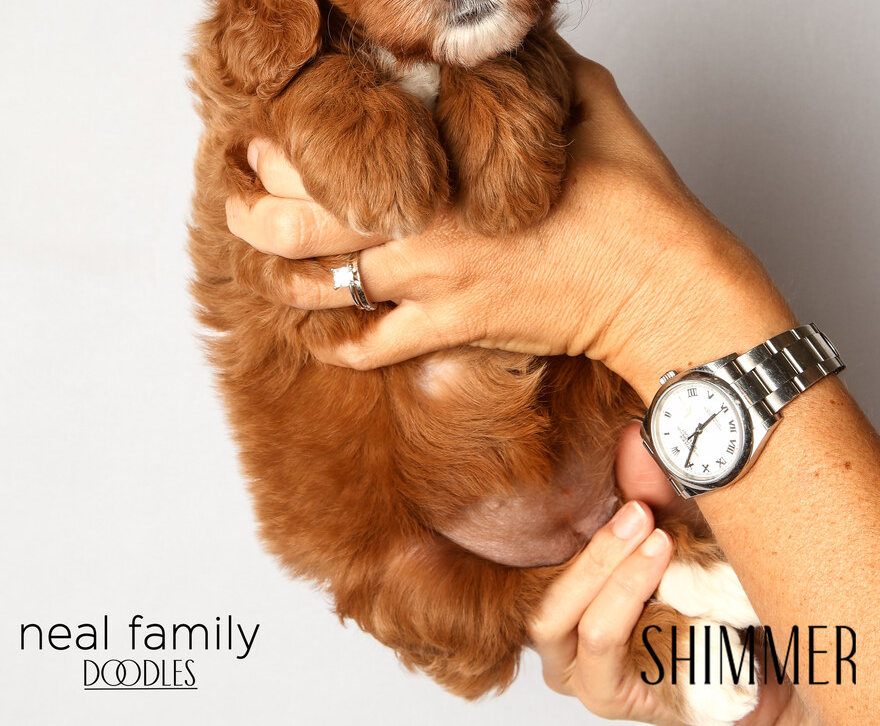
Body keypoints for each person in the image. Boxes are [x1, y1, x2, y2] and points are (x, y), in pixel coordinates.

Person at [225, 48, 880, 724]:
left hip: (607, 453)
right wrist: (788, 713)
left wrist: (660, 292)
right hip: (437, 536)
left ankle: (687, 603)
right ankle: (679, 623)